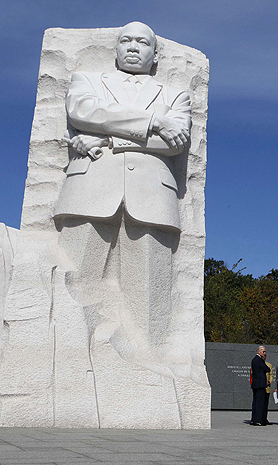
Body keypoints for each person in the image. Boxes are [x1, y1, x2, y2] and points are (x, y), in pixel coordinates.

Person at [53, 21, 192, 371]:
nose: (133, 47)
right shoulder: (88, 80)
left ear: (155, 54)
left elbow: (175, 144)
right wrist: (153, 122)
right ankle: (65, 362)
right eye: (126, 40)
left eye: (142, 42)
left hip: (152, 197)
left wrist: (105, 138)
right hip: (90, 189)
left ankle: (147, 368)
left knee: (149, 296)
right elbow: (83, 112)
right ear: (114, 49)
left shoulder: (175, 95)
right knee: (72, 280)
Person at [250, 346, 271, 426]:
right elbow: (267, 369)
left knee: (255, 402)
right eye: (263, 352)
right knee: (260, 403)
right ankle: (258, 420)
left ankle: (254, 419)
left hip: (255, 384)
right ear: (259, 352)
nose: (265, 353)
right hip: (260, 384)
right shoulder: (259, 360)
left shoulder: (254, 360)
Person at [263, 360, 274, 425]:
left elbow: (271, 375)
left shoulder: (269, 365)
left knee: (265, 404)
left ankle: (264, 418)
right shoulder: (257, 363)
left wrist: (269, 381)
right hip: (260, 387)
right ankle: (259, 418)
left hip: (267, 387)